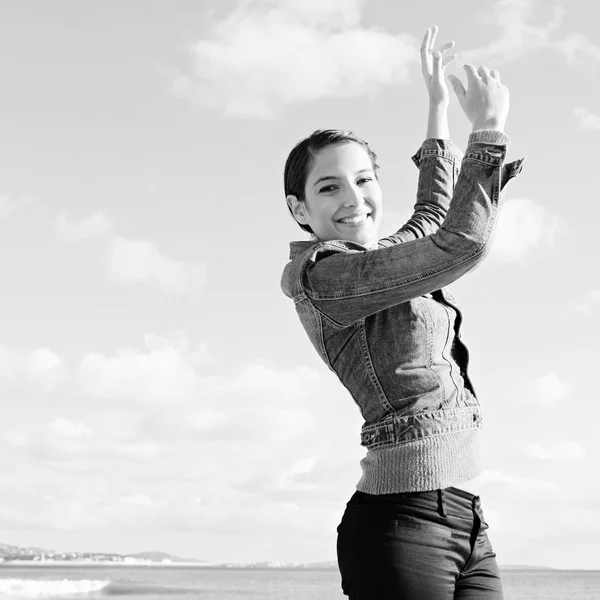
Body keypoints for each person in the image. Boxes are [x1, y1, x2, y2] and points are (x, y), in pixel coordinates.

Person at [280, 25, 524, 600]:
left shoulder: (384, 261)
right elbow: (459, 243)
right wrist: (488, 132)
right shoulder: (327, 277)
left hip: (466, 519)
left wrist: (439, 108)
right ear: (299, 208)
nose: (353, 199)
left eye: (364, 180)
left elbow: (432, 215)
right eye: (329, 188)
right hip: (401, 522)